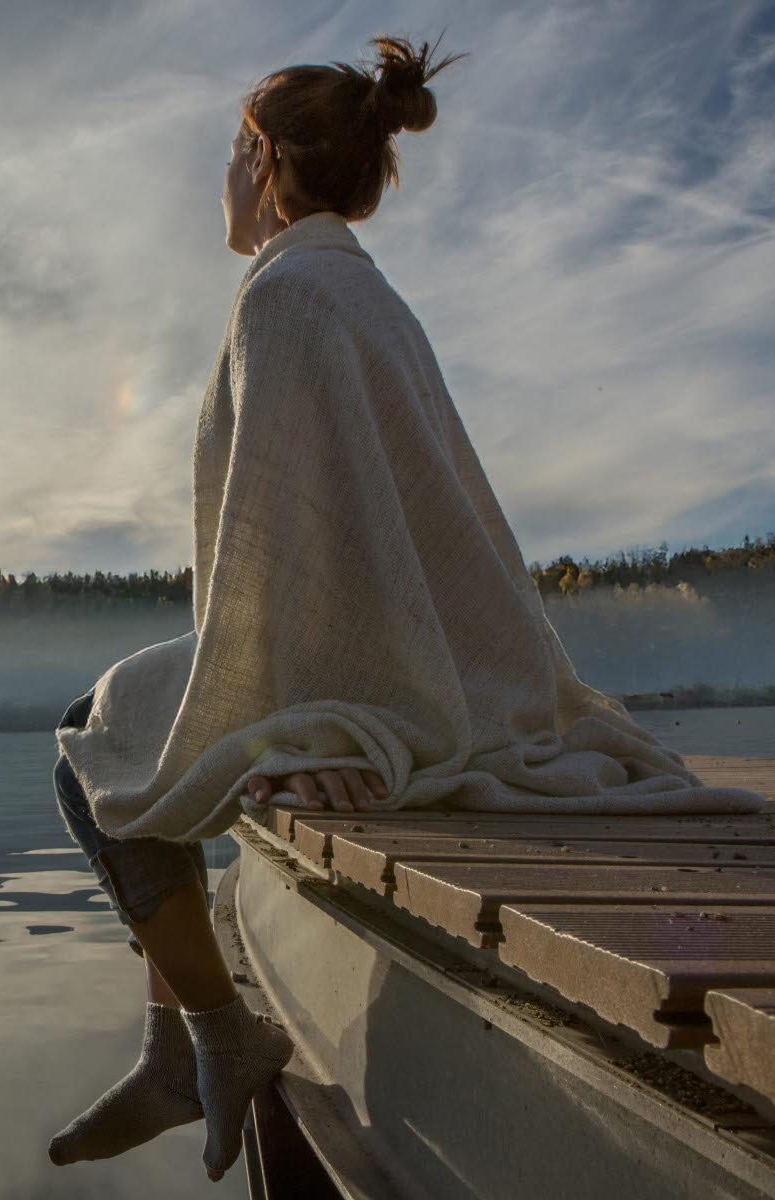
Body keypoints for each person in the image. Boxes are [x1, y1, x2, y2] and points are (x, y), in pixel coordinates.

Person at [46, 35, 466, 1183]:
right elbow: (363, 532)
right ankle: (178, 1046)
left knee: (89, 739)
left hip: (352, 665)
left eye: (233, 154)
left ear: (265, 160)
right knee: (135, 720)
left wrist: (309, 718)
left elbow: (296, 546)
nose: (223, 178)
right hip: (386, 651)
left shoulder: (285, 299)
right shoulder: (360, 292)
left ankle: (208, 1044)